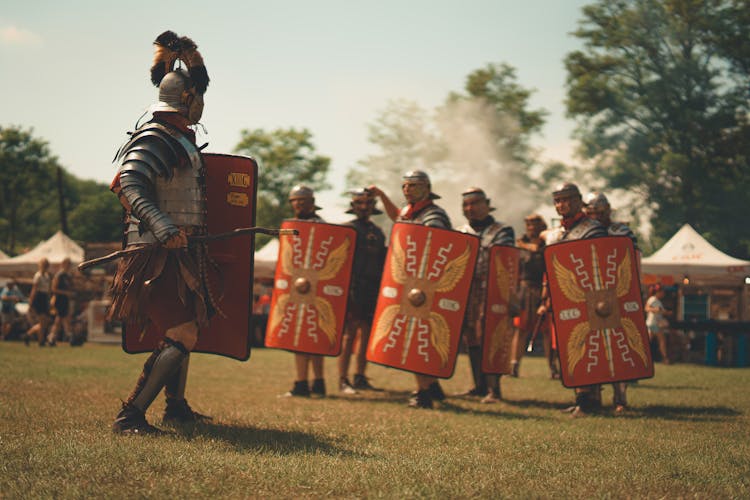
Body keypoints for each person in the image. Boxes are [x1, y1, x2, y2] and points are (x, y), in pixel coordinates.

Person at [107, 31, 215, 434]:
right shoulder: (156, 135)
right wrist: (165, 226)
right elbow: (128, 185)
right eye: (197, 97)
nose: (201, 104)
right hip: (156, 252)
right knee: (182, 331)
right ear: (184, 99)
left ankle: (176, 406)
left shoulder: (178, 137)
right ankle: (131, 415)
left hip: (176, 249)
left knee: (187, 325)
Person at [369, 170, 451, 409]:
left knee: (420, 337)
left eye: (413, 186)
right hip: (412, 285)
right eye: (405, 186)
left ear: (427, 188)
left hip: (428, 286)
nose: (408, 190)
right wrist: (383, 195)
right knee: (414, 335)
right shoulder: (409, 212)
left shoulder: (433, 215)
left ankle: (423, 391)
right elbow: (399, 218)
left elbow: (436, 246)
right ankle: (432, 386)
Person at [538, 182, 607, 417]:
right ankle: (581, 397)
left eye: (566, 199)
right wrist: (545, 297)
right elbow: (550, 270)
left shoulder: (592, 229)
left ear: (579, 201)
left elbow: (599, 265)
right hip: (562, 299)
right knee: (569, 348)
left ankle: (590, 399)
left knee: (587, 346)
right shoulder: (556, 235)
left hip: (587, 298)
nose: (561, 204)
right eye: (557, 200)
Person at [455, 187, 514, 403]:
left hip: (493, 291)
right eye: (466, 204)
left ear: (487, 204)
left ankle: (494, 389)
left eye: (475, 203)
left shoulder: (502, 231)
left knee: (491, 337)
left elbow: (504, 261)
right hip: (468, 291)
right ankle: (478, 386)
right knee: (471, 337)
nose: (470, 208)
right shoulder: (461, 232)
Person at [584, 191, 641, 411]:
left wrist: (635, 292)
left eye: (600, 211)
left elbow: (631, 260)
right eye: (592, 212)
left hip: (617, 292)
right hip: (591, 295)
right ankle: (594, 396)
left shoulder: (621, 231)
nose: (596, 216)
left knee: (619, 345)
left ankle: (620, 398)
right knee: (594, 347)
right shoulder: (585, 232)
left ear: (608, 210)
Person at [281, 184, 329, 398]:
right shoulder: (292, 226)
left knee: (307, 336)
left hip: (315, 288)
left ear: (312, 202)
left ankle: (305, 384)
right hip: (298, 287)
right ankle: (316, 383)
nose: (299, 203)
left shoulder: (322, 226)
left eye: (303, 200)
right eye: (295, 200)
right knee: (306, 336)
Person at [338, 188, 386, 394]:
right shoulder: (346, 230)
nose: (364, 207)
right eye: (360, 203)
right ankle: (343, 379)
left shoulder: (379, 233)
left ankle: (360, 376)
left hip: (372, 287)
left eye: (368, 203)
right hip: (353, 287)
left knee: (367, 332)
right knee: (350, 334)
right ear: (353, 206)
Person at [510, 213, 557, 379]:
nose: (531, 228)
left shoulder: (547, 241)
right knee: (520, 329)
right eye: (529, 224)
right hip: (524, 290)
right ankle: (514, 366)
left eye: (534, 224)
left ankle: (553, 368)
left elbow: (540, 252)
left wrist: (523, 245)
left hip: (542, 289)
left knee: (546, 332)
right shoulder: (520, 243)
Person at [25, 258, 53, 346]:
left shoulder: (47, 276)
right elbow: (34, 289)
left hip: (44, 298)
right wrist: (31, 302)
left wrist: (49, 301)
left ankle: (28, 334)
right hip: (39, 298)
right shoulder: (38, 276)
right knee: (42, 321)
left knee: (45, 322)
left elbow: (48, 290)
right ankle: (41, 341)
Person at [48, 257, 75, 345]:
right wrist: (66, 293)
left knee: (61, 319)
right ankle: (68, 336)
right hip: (59, 299)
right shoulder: (59, 275)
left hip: (65, 300)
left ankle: (53, 337)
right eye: (67, 264)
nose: (68, 266)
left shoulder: (68, 276)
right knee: (61, 319)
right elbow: (53, 289)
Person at [645, 283, 670, 365]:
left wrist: (666, 312)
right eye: (662, 292)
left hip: (655, 323)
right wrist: (656, 309)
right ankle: (665, 358)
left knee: (650, 341)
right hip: (653, 323)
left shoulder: (658, 301)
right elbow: (647, 308)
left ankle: (645, 357)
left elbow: (661, 311)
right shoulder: (652, 299)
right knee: (661, 341)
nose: (663, 294)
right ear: (658, 292)